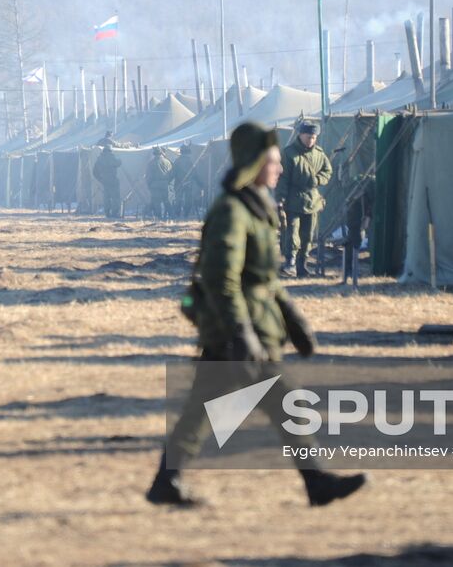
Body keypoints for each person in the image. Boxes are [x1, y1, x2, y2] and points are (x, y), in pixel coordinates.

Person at [146, 121, 366, 508]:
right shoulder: (233, 211)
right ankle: (315, 482)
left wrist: (294, 321)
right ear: (254, 163)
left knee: (211, 409)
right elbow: (221, 279)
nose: (280, 168)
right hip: (234, 332)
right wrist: (241, 331)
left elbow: (265, 278)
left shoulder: (257, 207)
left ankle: (168, 481)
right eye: (274, 161)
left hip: (251, 329)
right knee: (274, 403)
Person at [277, 120, 333, 278]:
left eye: (314, 137)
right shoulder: (289, 153)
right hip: (293, 199)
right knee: (292, 232)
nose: (311, 140)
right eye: (309, 137)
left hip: (312, 200)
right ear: (300, 135)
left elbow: (327, 171)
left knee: (308, 235)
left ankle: (303, 264)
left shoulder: (319, 154)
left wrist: (318, 180)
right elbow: (282, 178)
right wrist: (280, 199)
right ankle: (290, 263)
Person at [171, 144, 201, 219]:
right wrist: (200, 183)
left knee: (178, 200)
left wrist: (168, 181)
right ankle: (186, 215)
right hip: (189, 184)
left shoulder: (177, 161)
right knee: (188, 200)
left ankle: (177, 215)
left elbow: (172, 173)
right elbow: (195, 174)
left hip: (178, 183)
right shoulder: (191, 161)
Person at [93, 143, 122, 219]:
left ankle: (107, 213)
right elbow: (118, 163)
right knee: (115, 197)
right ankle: (115, 213)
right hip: (113, 180)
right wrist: (120, 159)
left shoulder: (99, 159)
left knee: (106, 197)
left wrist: (101, 179)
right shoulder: (111, 157)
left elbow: (94, 172)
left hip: (105, 181)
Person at [145, 146, 174, 219]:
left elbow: (149, 176)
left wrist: (149, 184)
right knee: (166, 201)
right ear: (161, 153)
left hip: (154, 185)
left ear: (154, 154)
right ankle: (172, 215)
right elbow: (171, 174)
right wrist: (167, 182)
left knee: (156, 202)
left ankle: (159, 217)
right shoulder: (167, 162)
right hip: (165, 184)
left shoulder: (151, 163)